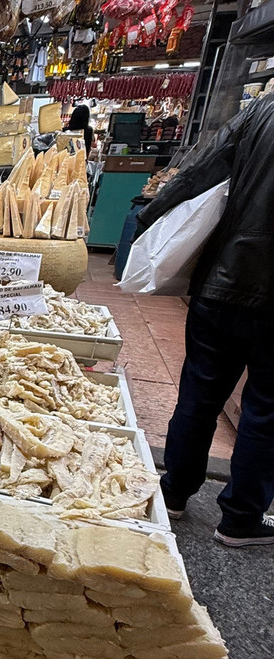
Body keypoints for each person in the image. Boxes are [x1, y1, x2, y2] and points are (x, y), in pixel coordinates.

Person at [135, 92, 274, 547]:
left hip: (223, 280)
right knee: (266, 411)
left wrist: (150, 214)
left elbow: (201, 168)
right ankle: (241, 517)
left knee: (199, 392)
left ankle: (173, 491)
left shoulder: (263, 109)